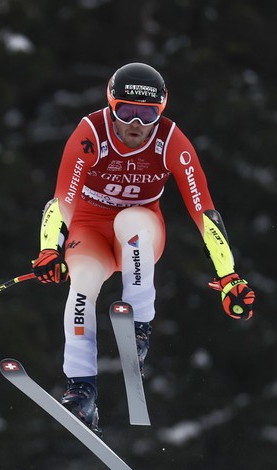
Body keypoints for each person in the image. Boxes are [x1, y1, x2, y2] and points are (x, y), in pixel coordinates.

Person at [31, 62, 255, 436]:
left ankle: (139, 326)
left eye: (147, 114)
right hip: (89, 229)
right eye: (126, 112)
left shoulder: (170, 141)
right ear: (111, 106)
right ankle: (81, 390)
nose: (136, 124)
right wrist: (48, 249)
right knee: (82, 283)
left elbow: (205, 214)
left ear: (160, 112)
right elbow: (61, 201)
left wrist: (228, 277)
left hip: (140, 232)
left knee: (130, 221)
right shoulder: (90, 133)